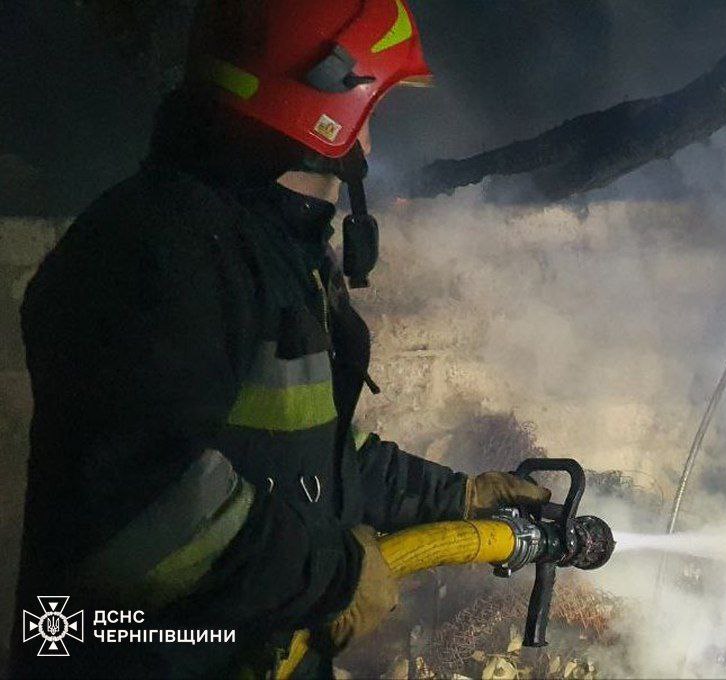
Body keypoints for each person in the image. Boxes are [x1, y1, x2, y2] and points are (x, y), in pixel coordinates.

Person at [10, 1, 550, 677]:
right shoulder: (162, 255)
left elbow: (309, 457)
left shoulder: (261, 249)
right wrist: (334, 578)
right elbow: (145, 512)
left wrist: (456, 498)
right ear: (327, 109)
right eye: (373, 113)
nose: (373, 142)